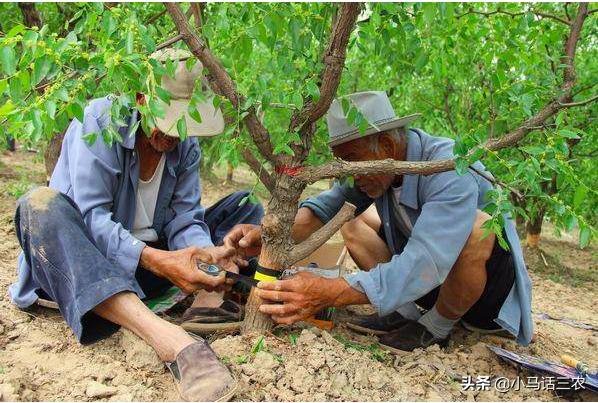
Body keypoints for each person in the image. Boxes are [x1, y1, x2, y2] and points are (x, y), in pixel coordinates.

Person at [8, 48, 263, 401]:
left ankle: (204, 293)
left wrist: (206, 255)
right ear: (142, 99)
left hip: (149, 268)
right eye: (169, 120)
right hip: (85, 266)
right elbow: (91, 218)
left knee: (245, 205)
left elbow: (185, 218)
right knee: (39, 204)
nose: (175, 135)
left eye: (184, 123)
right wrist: (156, 259)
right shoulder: (99, 121)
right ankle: (169, 339)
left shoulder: (184, 147)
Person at [225, 90, 533, 352]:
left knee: (477, 229)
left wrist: (333, 291)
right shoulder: (374, 172)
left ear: (386, 148)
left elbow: (427, 260)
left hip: (485, 303)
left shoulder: (450, 166)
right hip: (430, 286)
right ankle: (406, 313)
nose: (349, 173)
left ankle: (436, 327)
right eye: (342, 163)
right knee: (348, 218)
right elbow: (320, 212)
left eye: (352, 160)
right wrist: (264, 235)